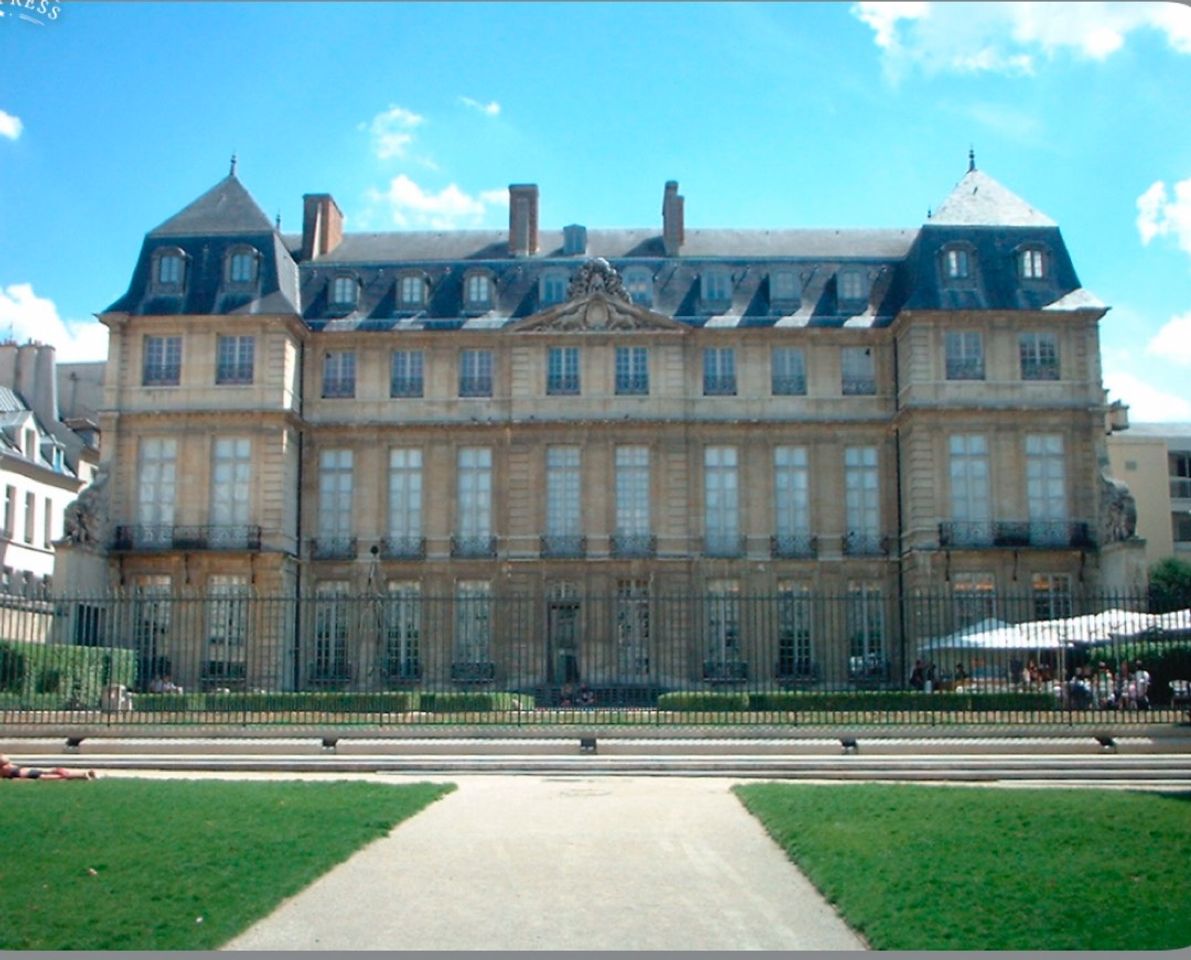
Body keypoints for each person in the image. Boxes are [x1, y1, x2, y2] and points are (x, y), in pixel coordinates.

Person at [0, 754, 95, 781]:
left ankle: (83, 775)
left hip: (27, 773)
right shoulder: (5, 768)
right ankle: (83, 774)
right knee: (56, 775)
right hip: (26, 773)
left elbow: (4, 759)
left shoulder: (4, 767)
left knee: (57, 775)